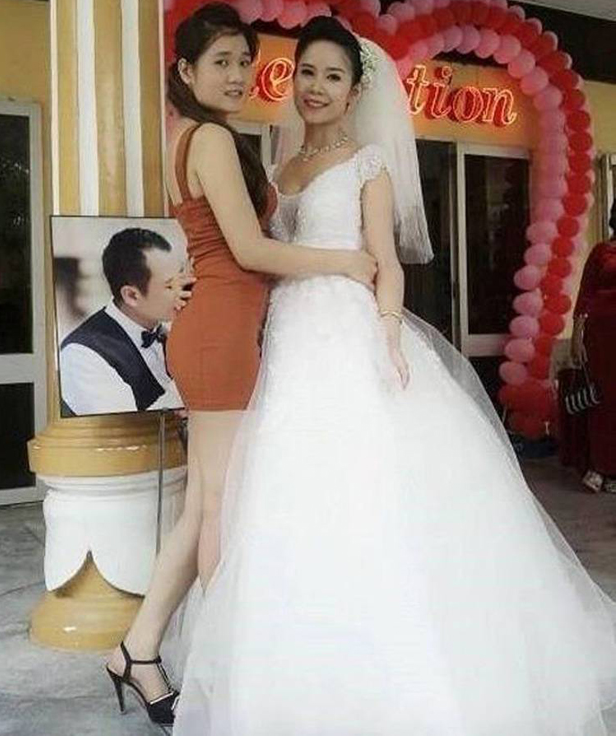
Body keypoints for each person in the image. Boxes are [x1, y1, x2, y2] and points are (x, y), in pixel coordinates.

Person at [172, 19, 616, 735]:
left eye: (333, 77)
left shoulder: (367, 164)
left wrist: (386, 330)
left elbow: (385, 258)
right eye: (307, 73)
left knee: (367, 490)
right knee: (278, 491)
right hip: (283, 337)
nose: (316, 89)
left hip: (347, 332)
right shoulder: (277, 171)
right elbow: (249, 252)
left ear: (354, 93)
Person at [104, 4, 377, 726]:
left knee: (204, 503)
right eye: (220, 62)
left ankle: (137, 648)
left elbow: (216, 244)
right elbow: (251, 250)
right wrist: (344, 262)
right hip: (220, 334)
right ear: (186, 70)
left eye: (243, 62)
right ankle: (222, 670)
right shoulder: (214, 139)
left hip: (214, 327)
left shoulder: (186, 137)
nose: (236, 75)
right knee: (219, 507)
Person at [59, 227, 188, 416]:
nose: (182, 291)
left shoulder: (173, 326)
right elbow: (126, 427)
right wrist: (193, 374)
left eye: (182, 278)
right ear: (131, 295)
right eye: (170, 286)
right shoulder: (80, 355)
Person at [567, 200, 616, 493]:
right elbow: (585, 294)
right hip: (601, 337)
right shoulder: (601, 252)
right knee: (602, 400)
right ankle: (598, 467)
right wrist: (576, 336)